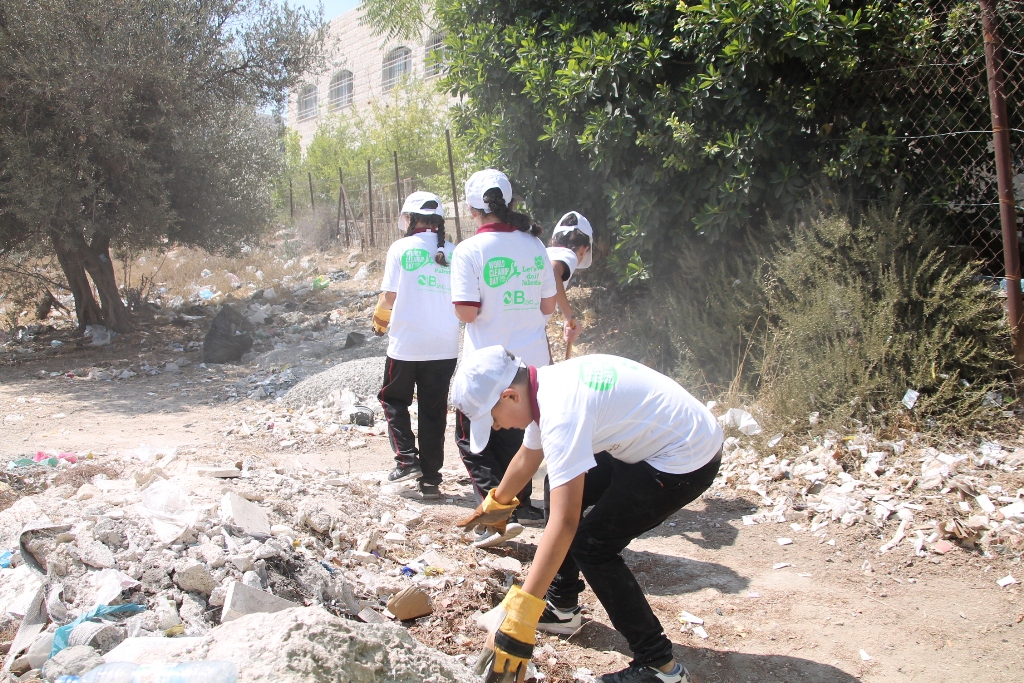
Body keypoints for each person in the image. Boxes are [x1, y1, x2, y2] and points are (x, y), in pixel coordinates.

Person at [451, 346, 724, 683]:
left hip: (684, 458)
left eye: (491, 419)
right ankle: (562, 608)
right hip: (656, 439)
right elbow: (528, 455)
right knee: (558, 481)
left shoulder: (561, 411)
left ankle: (658, 665)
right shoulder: (542, 387)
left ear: (509, 397)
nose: (496, 427)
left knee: (591, 545)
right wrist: (497, 503)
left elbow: (563, 524)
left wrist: (521, 614)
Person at [450, 169, 557, 547]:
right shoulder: (534, 245)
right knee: (524, 434)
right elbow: (548, 304)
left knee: (472, 436)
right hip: (533, 365)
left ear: (470, 208)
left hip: (488, 367)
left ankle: (496, 510)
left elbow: (465, 312)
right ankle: (524, 504)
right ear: (510, 203)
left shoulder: (468, 250)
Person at [372, 191, 459, 500]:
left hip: (407, 344)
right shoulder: (454, 251)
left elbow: (388, 298)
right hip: (445, 346)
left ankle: (407, 460)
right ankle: (431, 480)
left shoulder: (400, 248)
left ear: (409, 220)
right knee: (434, 412)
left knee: (393, 400)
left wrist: (379, 323)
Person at [546, 211, 593, 348]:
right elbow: (553, 272)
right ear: (584, 250)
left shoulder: (543, 253)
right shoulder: (569, 255)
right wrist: (569, 316)